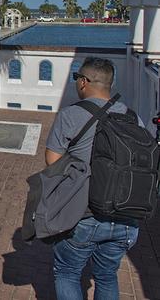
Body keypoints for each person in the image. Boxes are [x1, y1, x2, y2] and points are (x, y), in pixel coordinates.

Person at [45, 57, 141, 300]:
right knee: (107, 276)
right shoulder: (132, 117)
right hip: (126, 218)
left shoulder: (70, 115)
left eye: (77, 79)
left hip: (84, 214)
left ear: (84, 82)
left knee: (67, 273)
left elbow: (52, 161)